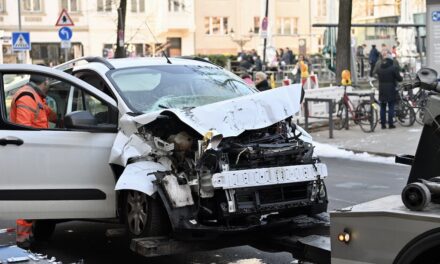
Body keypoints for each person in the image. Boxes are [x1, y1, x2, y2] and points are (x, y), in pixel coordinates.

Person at [10, 75, 56, 248]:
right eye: (49, 82)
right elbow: (25, 129)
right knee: (30, 194)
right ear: (44, 82)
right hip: (30, 154)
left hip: (36, 153)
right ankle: (22, 238)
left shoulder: (35, 96)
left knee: (37, 193)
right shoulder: (27, 96)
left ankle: (31, 233)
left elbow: (47, 114)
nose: (49, 85)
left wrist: (61, 118)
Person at [375, 51, 403, 129]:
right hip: (391, 89)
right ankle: (391, 124)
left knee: (383, 107)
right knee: (391, 106)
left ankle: (383, 125)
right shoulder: (393, 68)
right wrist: (400, 76)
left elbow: (377, 76)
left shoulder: (380, 67)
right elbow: (399, 79)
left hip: (382, 89)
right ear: (391, 60)